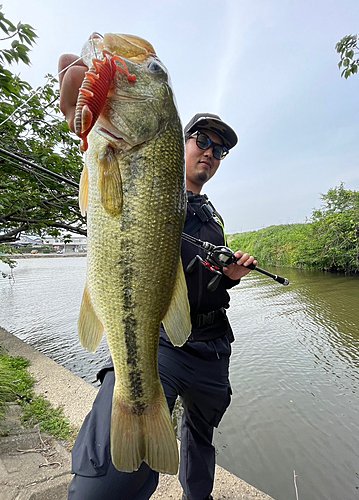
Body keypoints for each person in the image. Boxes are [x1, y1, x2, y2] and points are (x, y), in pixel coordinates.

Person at [59, 55, 257, 500]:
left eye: (219, 149)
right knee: (106, 485)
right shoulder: (134, 171)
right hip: (160, 346)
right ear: (180, 142)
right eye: (201, 139)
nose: (209, 151)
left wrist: (228, 275)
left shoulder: (212, 218)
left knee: (200, 440)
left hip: (212, 350)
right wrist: (81, 83)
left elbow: (194, 282)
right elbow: (71, 81)